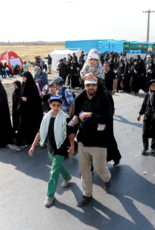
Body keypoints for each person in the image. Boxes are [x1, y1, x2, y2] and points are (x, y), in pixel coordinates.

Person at [29, 95, 74, 207]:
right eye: (53, 105)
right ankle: (67, 177)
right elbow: (40, 132)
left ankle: (50, 195)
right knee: (57, 166)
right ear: (50, 105)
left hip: (61, 147)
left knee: (53, 172)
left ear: (61, 106)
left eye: (58, 105)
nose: (55, 107)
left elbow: (70, 135)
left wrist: (72, 147)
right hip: (51, 147)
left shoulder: (65, 118)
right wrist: (33, 146)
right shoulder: (46, 118)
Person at [75, 74, 112, 207]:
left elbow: (107, 119)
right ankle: (87, 194)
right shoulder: (81, 99)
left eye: (93, 85)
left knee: (100, 169)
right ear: (84, 86)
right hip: (83, 140)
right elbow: (75, 115)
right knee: (84, 170)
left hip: (98, 141)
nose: (90, 87)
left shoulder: (103, 99)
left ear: (97, 86)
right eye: (88, 85)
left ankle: (107, 179)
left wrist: (90, 115)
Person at [9, 72, 43, 151]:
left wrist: (28, 99)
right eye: (22, 77)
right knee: (25, 127)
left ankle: (18, 144)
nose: (23, 78)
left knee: (23, 127)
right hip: (25, 111)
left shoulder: (32, 87)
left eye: (24, 77)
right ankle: (25, 142)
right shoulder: (24, 85)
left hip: (32, 112)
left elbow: (36, 100)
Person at [137, 79, 155, 155]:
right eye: (152, 85)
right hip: (147, 115)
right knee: (144, 132)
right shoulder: (147, 94)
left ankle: (153, 147)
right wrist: (139, 114)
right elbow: (144, 105)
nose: (153, 86)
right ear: (150, 86)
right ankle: (145, 147)